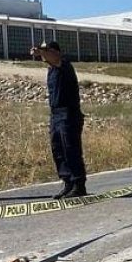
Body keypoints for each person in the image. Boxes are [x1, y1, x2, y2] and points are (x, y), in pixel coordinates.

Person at [32, 41, 87, 198]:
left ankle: (78, 184)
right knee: (58, 149)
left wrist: (42, 51)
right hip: (55, 114)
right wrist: (42, 52)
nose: (43, 54)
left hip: (68, 113)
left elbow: (54, 58)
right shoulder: (51, 69)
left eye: (47, 50)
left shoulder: (64, 65)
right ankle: (68, 182)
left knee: (71, 149)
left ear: (56, 52)